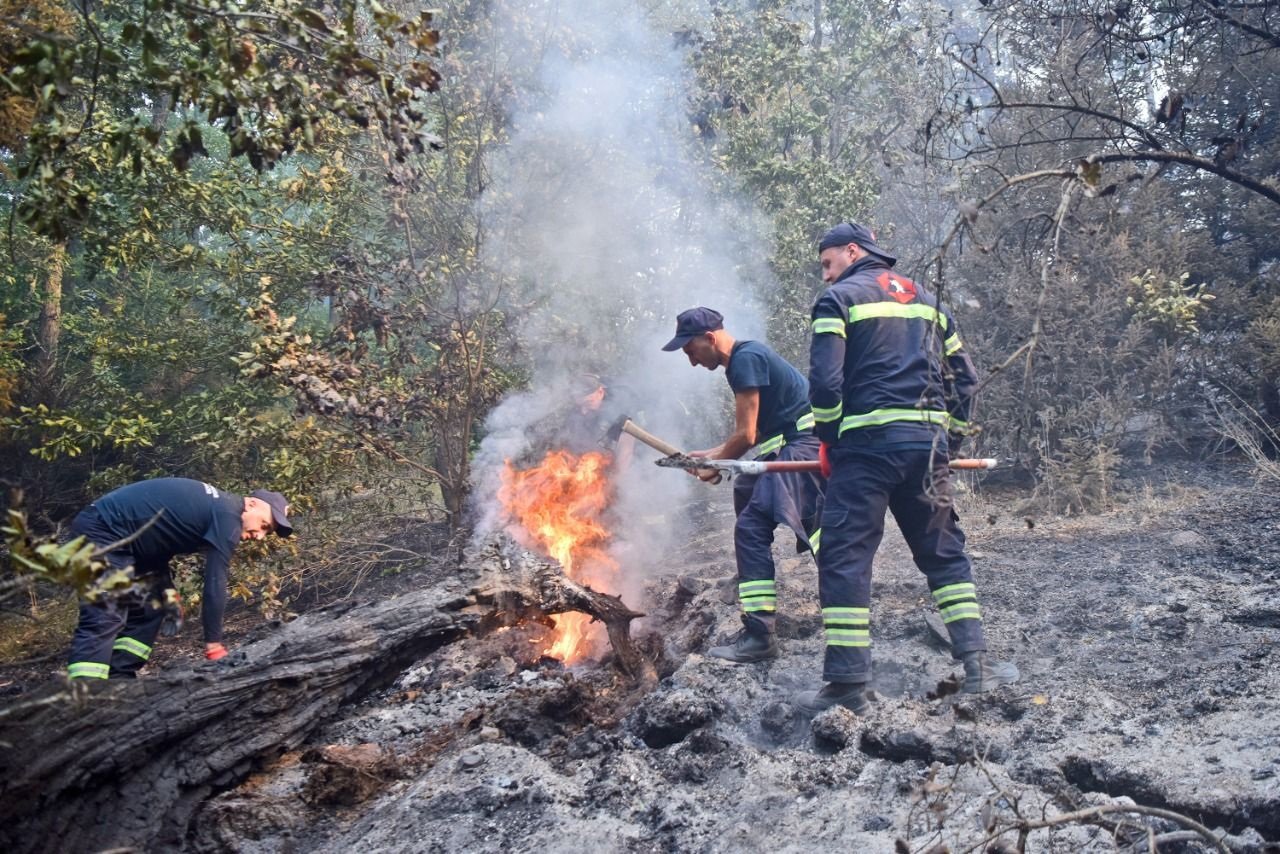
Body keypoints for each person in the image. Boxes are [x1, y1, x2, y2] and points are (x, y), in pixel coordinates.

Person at [796, 222, 1016, 714]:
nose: (827, 276)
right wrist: (949, 438)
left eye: (828, 264)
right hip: (928, 451)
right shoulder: (932, 302)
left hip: (866, 452)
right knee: (943, 553)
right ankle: (977, 664)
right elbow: (966, 381)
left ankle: (849, 681)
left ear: (852, 252)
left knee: (846, 555)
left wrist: (830, 438)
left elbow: (826, 386)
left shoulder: (838, 301)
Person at [663, 307, 824, 662]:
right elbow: (754, 434)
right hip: (786, 446)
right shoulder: (745, 359)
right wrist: (711, 457)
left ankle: (760, 634)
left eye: (690, 351)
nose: (691, 362)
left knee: (752, 528)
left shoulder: (744, 360)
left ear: (710, 338)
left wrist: (715, 462)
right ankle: (752, 578)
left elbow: (745, 434)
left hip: (801, 447)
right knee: (744, 490)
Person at [65, 477, 293, 679]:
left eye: (267, 531)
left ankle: (119, 677)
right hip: (100, 530)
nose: (260, 536)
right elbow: (215, 581)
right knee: (107, 612)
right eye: (263, 525)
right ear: (251, 504)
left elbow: (158, 544)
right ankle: (87, 695)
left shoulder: (215, 509)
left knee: (152, 609)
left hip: (129, 544)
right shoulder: (227, 515)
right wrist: (214, 644)